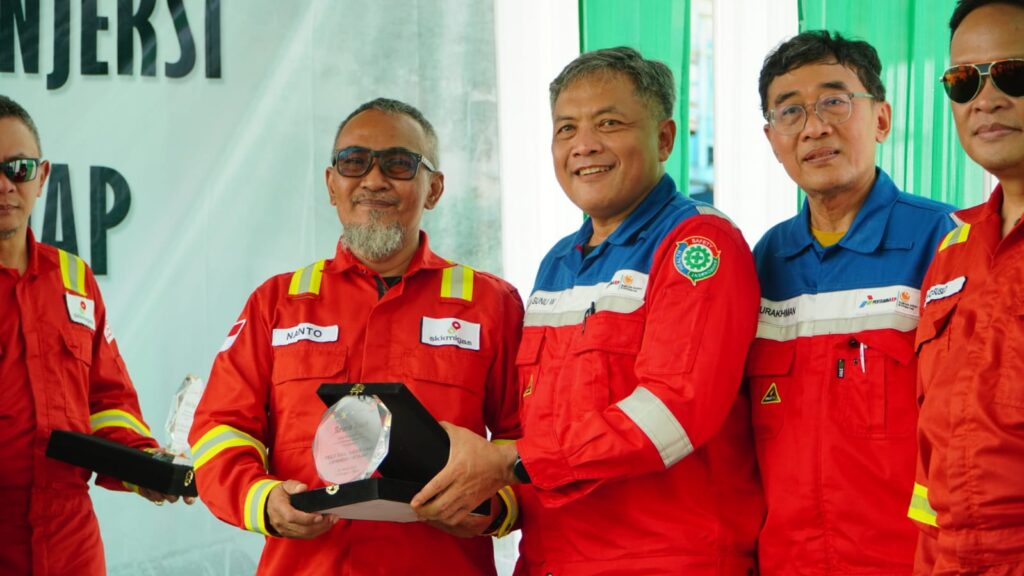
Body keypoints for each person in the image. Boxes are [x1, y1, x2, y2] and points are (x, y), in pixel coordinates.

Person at [412, 47, 764, 575]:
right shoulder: (559, 262)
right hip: (551, 559)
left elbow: (674, 411)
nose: (584, 145)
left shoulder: (697, 244)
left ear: (664, 138)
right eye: (566, 129)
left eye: (609, 123)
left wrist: (509, 462)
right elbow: (542, 429)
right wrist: (491, 503)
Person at [188, 98, 524, 575]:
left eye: (399, 163)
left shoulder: (492, 304)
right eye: (354, 162)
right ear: (332, 185)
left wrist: (492, 505)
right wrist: (262, 499)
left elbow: (529, 444)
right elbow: (219, 430)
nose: (373, 179)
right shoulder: (276, 303)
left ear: (434, 189)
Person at [749, 31, 958, 575]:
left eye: (834, 102)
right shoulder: (763, 262)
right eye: (790, 111)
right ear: (772, 139)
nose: (814, 127)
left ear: (882, 119)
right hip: (786, 564)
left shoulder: (945, 243)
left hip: (912, 562)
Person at [0, 95, 184, 575]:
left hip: (70, 541)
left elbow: (107, 400)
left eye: (18, 168)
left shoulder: (73, 278)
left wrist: (145, 465)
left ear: (42, 176)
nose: (4, 185)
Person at [911, 1, 1024, 572]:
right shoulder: (954, 249)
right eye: (963, 81)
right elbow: (934, 461)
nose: (986, 99)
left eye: (1013, 74)